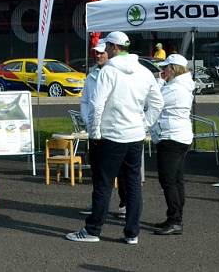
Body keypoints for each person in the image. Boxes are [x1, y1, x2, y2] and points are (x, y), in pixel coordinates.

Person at [66, 31, 164, 245]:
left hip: (110, 136)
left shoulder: (108, 72)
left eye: (107, 47)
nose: (106, 51)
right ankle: (132, 233)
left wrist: (94, 132)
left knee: (103, 184)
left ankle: (93, 230)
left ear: (113, 48)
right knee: (133, 185)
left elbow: (97, 104)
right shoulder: (144, 71)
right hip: (135, 135)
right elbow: (157, 103)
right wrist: (145, 124)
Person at [78, 42, 127, 219]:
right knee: (97, 171)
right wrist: (87, 119)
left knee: (121, 170)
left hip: (113, 129)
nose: (98, 56)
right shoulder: (91, 75)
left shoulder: (116, 72)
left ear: (108, 53)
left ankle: (125, 204)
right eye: (96, 54)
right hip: (95, 131)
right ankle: (98, 204)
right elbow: (85, 101)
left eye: (101, 53)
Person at [152, 54, 194, 236]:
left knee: (168, 180)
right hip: (179, 136)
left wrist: (159, 83)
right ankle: (174, 217)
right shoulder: (180, 86)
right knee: (176, 180)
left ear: (174, 69)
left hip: (171, 137)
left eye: (166, 68)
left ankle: (175, 219)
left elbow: (154, 101)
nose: (163, 71)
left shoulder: (175, 88)